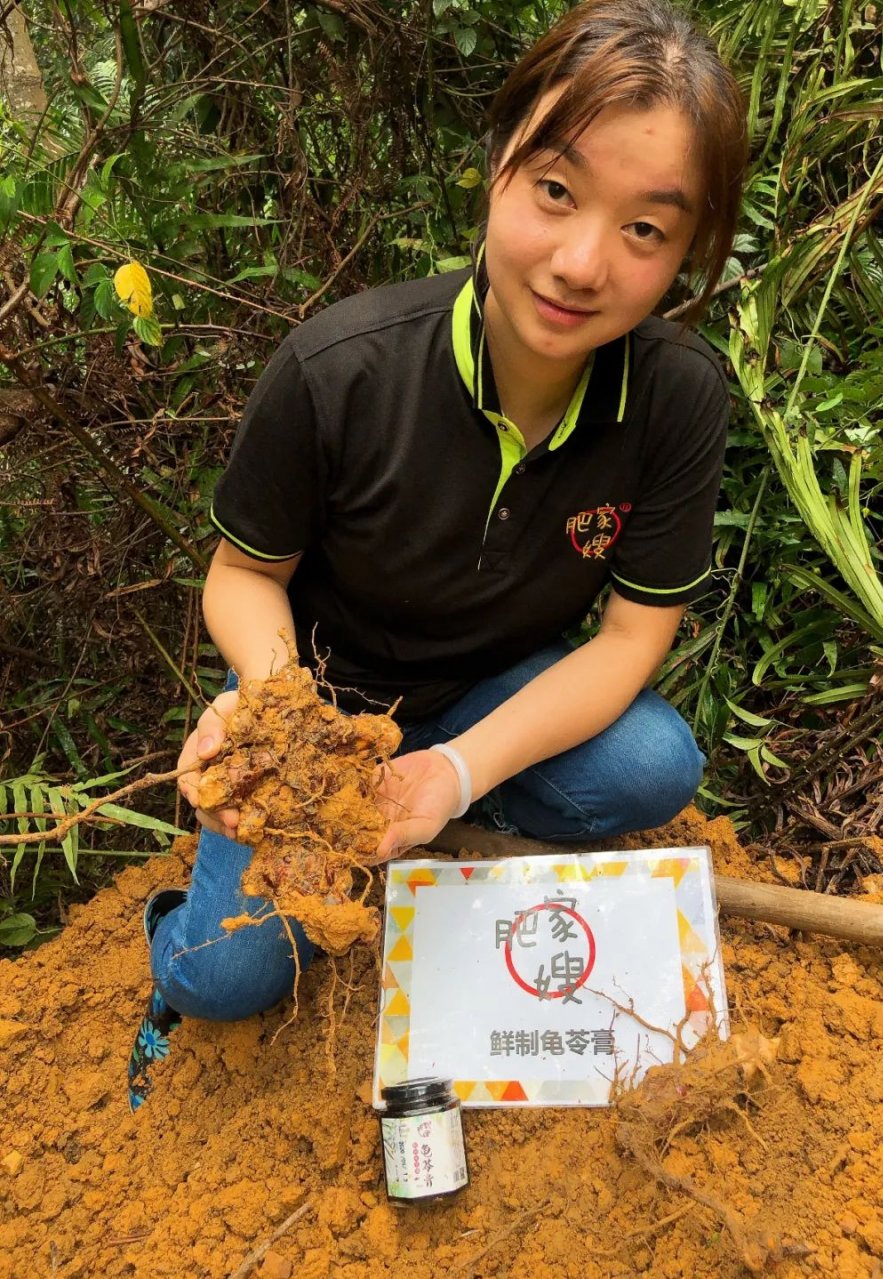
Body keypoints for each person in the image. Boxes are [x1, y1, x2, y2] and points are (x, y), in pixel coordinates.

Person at [128, 0, 747, 1108]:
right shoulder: (340, 373)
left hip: (480, 690)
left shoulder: (676, 400)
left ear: (689, 251)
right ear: (499, 162)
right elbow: (244, 577)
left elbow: (631, 639)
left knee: (653, 766)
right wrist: (287, 729)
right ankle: (181, 929)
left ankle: (427, 824)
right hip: (315, 696)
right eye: (555, 191)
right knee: (228, 975)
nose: (580, 260)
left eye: (646, 230)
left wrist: (453, 771)